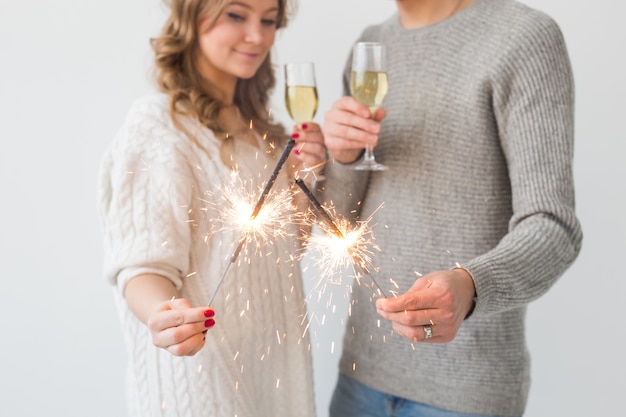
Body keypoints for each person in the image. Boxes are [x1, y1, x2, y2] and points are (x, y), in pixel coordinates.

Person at [320, 0, 583, 416]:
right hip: (361, 376)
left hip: (463, 392)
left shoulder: (524, 36)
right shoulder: (370, 45)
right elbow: (338, 223)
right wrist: (344, 157)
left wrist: (469, 285)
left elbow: (553, 226)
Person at [98, 0, 325, 416]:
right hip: (203, 386)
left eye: (269, 20)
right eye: (236, 15)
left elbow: (288, 249)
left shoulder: (261, 132)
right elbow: (142, 268)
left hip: (275, 379)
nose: (257, 36)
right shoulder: (158, 127)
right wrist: (165, 317)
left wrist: (307, 176)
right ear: (191, 18)